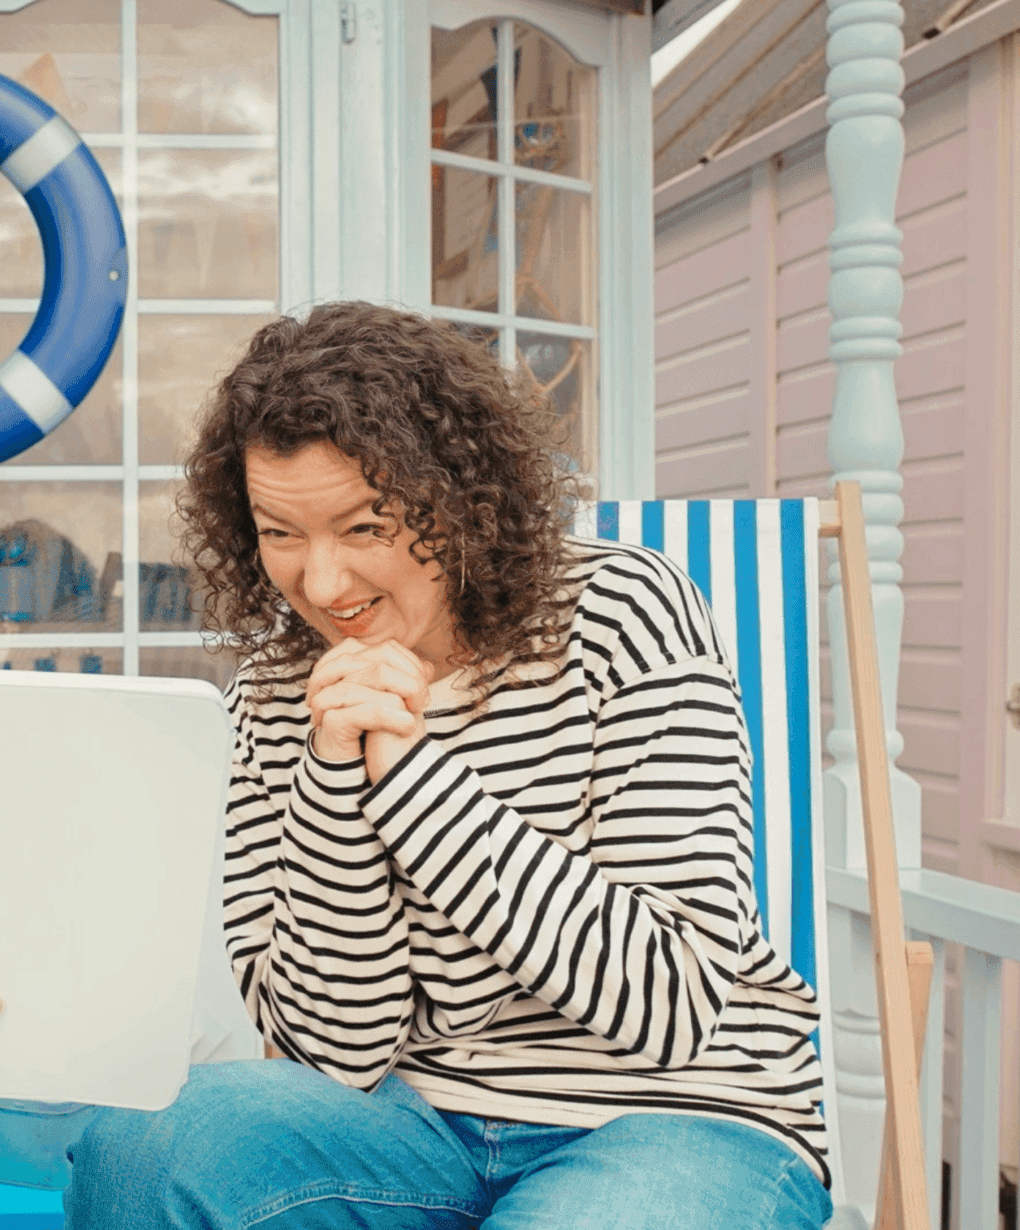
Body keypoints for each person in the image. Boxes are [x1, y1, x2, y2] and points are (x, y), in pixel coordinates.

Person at [64, 302, 831, 1229]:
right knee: (144, 1153)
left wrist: (414, 774)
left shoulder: (624, 612)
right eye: (280, 533)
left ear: (460, 497)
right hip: (415, 1122)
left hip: (679, 1116)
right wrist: (332, 771)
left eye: (364, 527)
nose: (322, 585)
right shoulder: (275, 694)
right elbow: (329, 1056)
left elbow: (664, 1005)